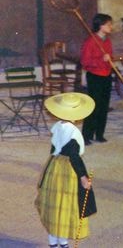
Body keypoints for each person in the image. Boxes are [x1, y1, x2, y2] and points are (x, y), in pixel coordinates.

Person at [35, 92, 97, 248]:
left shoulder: (58, 127)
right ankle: (62, 243)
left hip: (55, 167)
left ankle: (54, 243)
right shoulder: (73, 132)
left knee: (54, 205)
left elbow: (53, 149)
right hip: (68, 171)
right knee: (65, 206)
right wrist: (83, 177)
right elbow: (75, 157)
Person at [80, 13, 114, 144]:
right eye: (108, 24)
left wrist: (110, 60)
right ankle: (87, 135)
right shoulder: (90, 41)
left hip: (106, 75)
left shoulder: (107, 41)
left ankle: (99, 134)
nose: (111, 27)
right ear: (100, 26)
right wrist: (101, 59)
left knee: (104, 106)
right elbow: (85, 61)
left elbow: (110, 56)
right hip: (95, 76)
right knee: (93, 106)